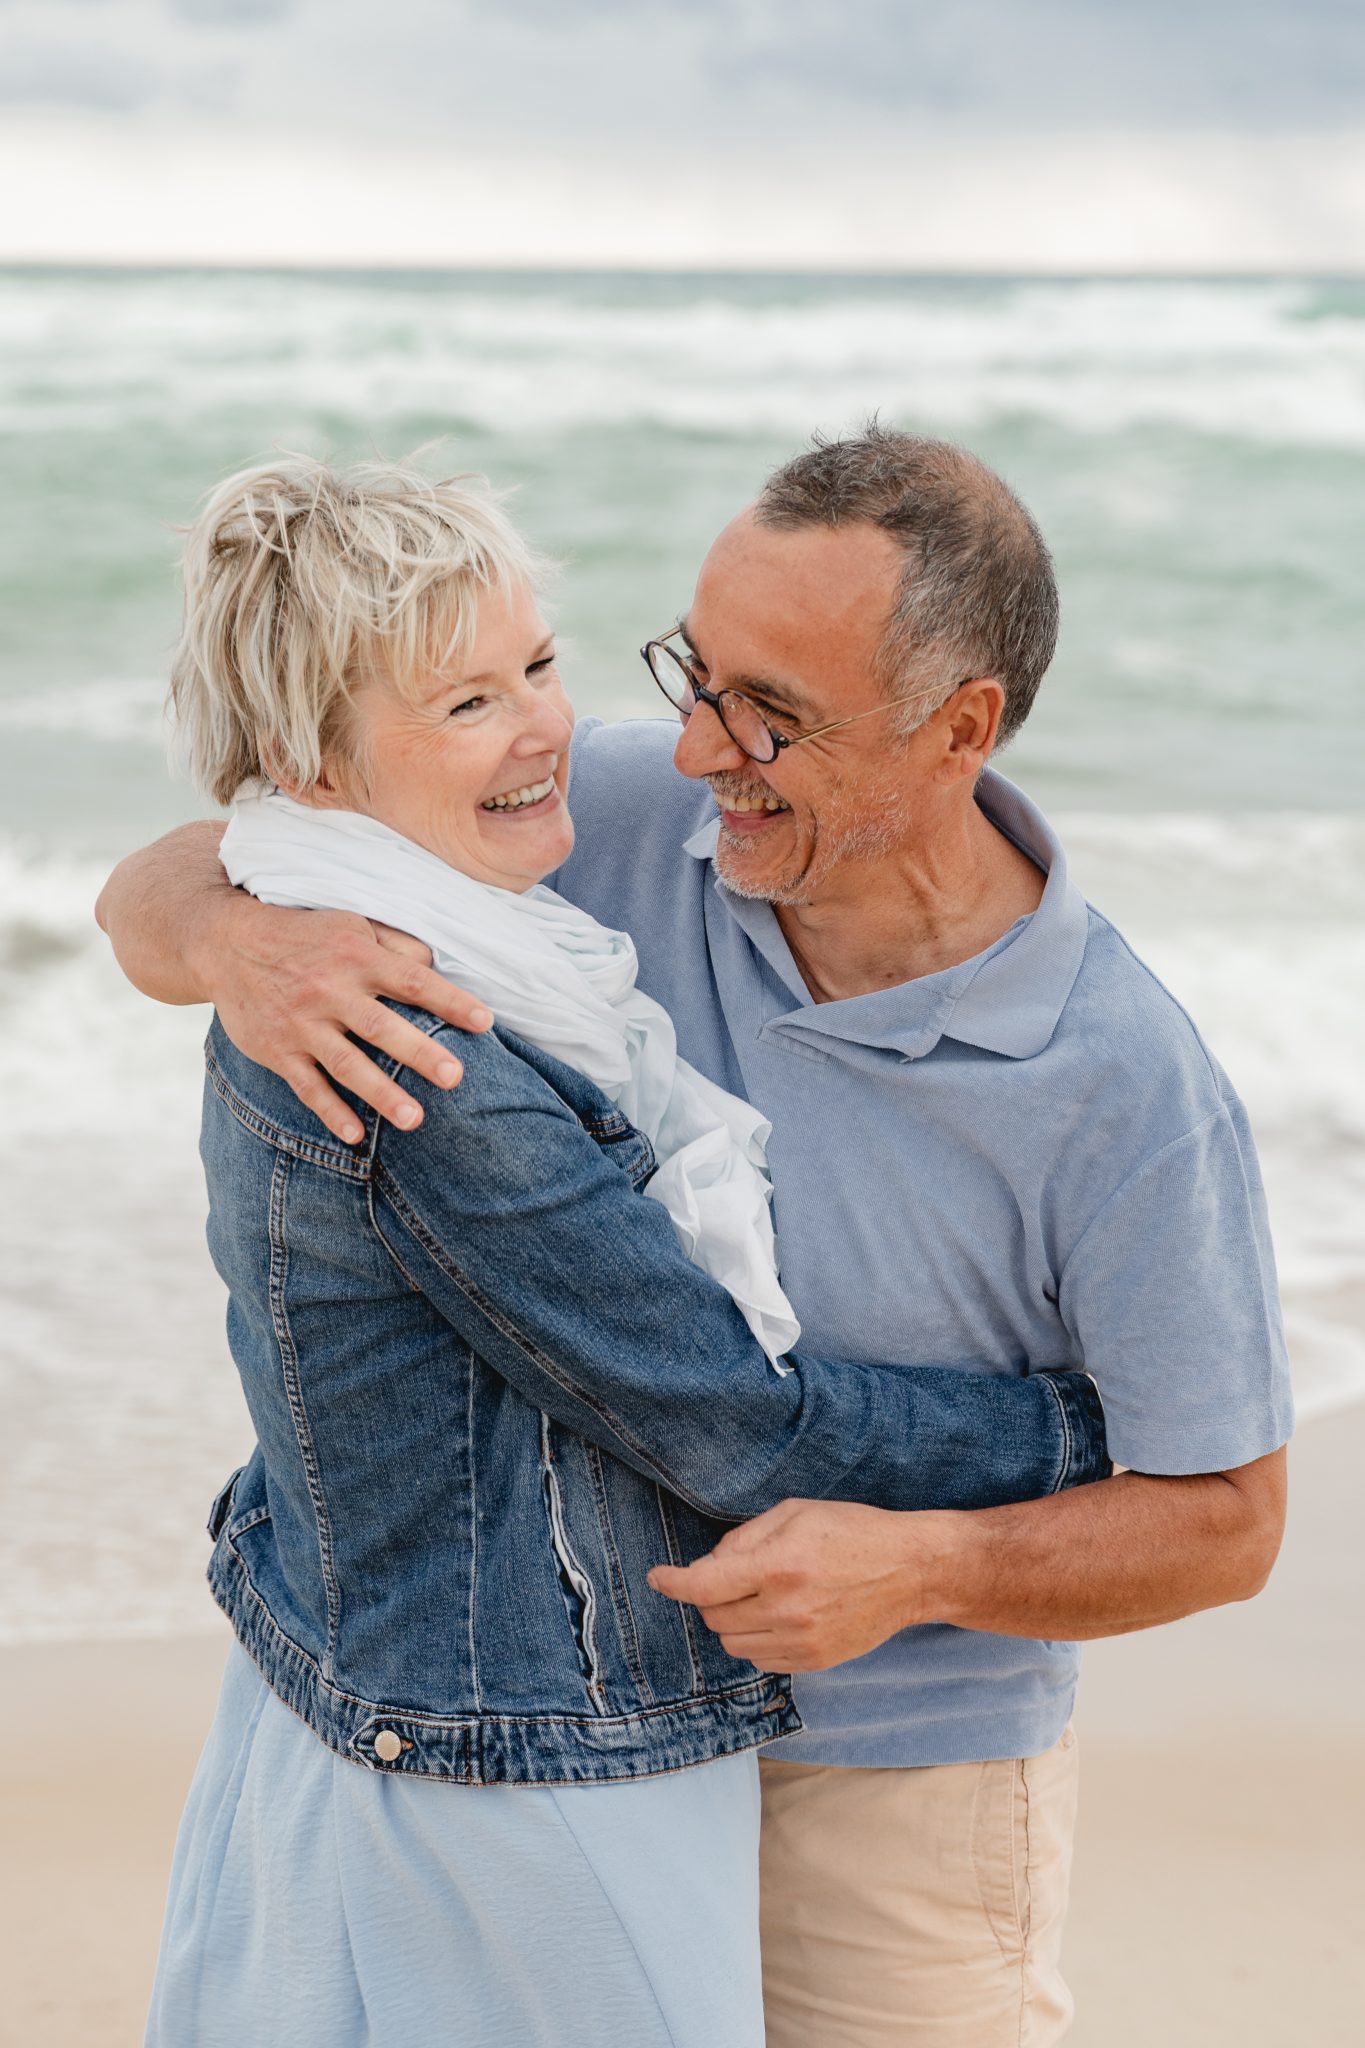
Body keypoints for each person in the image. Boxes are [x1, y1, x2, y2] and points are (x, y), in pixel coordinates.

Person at [100, 428, 1292, 2048]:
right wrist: (244, 939)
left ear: (958, 732)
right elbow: (233, 834)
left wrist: (924, 1567)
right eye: (692, 673)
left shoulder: (1121, 1084)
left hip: (900, 1783)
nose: (691, 750)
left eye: (771, 717)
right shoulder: (589, 812)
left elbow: (1223, 1519)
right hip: (612, 1734)